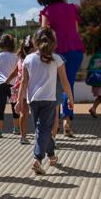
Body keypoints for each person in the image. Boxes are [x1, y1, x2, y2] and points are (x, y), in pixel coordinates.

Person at [18, 28, 74, 176]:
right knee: (43, 130)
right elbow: (65, 82)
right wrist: (70, 99)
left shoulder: (28, 59)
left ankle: (51, 155)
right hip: (49, 100)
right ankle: (37, 159)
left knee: (41, 130)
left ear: (35, 42)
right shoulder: (57, 59)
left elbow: (23, 82)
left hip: (33, 101)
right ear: (53, 43)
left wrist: (19, 100)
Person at [37, 0, 85, 138]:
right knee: (67, 84)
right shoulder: (72, 8)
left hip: (56, 52)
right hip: (75, 51)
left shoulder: (47, 11)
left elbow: (44, 34)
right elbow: (76, 31)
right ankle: (68, 122)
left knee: (54, 88)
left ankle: (55, 124)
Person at [0, 34, 19, 137]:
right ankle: (16, 128)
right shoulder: (16, 56)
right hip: (13, 84)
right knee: (15, 106)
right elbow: (18, 71)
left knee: (0, 107)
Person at [14, 36, 33, 144]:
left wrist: (7, 80)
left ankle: (23, 136)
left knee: (24, 113)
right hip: (30, 87)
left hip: (22, 88)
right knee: (29, 113)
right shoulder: (32, 59)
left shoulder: (20, 60)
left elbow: (15, 72)